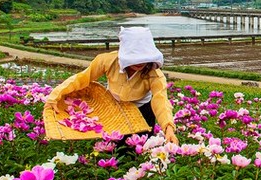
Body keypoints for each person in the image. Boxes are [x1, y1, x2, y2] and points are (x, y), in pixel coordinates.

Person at [45, 26, 178, 145]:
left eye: (144, 58)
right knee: (115, 147)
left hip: (142, 110)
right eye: (135, 57)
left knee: (140, 148)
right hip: (113, 109)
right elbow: (82, 78)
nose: (140, 62)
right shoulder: (107, 60)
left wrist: (168, 128)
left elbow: (161, 100)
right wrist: (55, 95)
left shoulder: (153, 72)